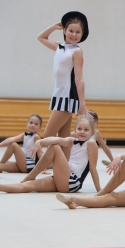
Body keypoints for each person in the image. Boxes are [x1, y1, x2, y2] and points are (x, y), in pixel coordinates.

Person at [0, 116, 100, 194]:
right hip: (62, 178)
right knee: (29, 186)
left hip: (73, 182)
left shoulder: (91, 143)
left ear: (92, 132)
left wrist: (100, 191)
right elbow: (55, 138)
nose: (82, 132)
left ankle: (30, 175)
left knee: (55, 147)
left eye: (86, 130)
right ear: (75, 130)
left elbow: (93, 169)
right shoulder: (72, 140)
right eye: (79, 129)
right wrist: (40, 142)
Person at [37, 11, 90, 158]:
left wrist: (82, 104)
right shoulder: (59, 47)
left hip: (68, 95)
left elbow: (79, 79)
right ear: (65, 30)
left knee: (48, 135)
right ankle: (66, 170)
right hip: (59, 93)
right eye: (71, 30)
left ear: (82, 33)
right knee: (64, 135)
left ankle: (56, 167)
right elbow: (40, 37)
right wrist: (54, 26)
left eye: (78, 32)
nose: (74, 34)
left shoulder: (77, 51)